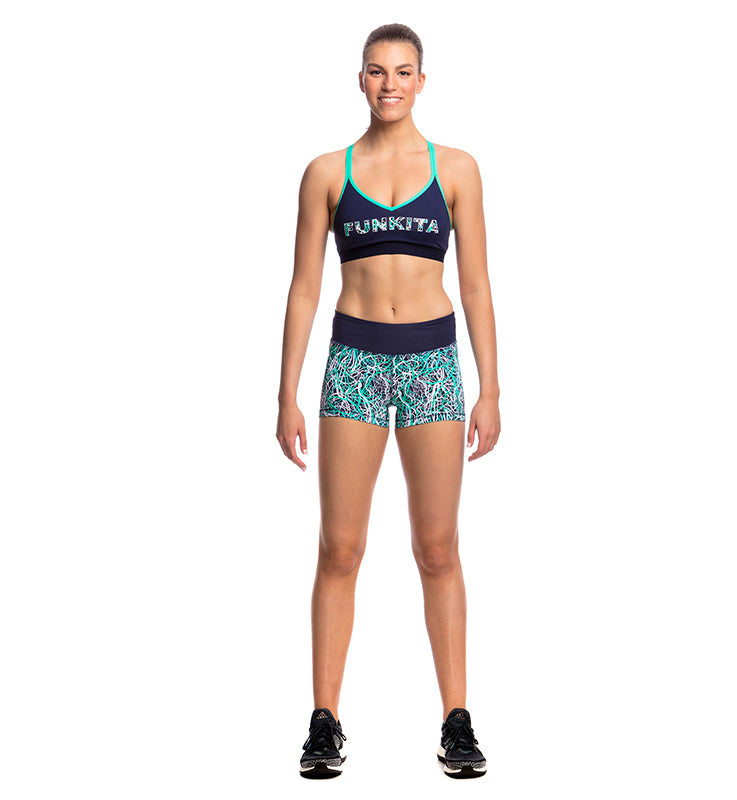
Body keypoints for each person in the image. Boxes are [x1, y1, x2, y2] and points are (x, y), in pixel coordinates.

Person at [276, 23, 500, 780]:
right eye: (377, 71)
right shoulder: (327, 173)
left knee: (438, 548)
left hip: (433, 364)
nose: (390, 84)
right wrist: (286, 393)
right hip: (355, 364)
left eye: (404, 72)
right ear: (361, 80)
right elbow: (305, 287)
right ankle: (325, 721)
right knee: (340, 549)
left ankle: (457, 720)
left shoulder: (457, 169)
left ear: (422, 81)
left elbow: (476, 285)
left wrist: (490, 387)